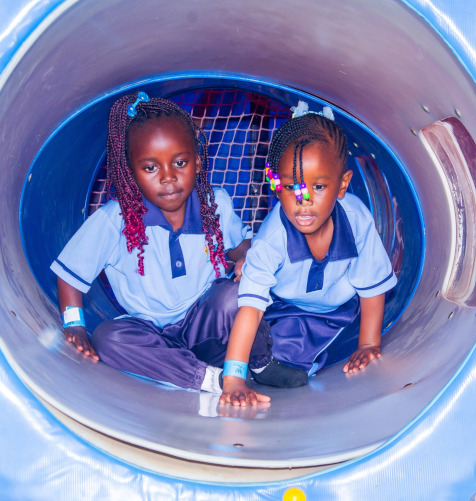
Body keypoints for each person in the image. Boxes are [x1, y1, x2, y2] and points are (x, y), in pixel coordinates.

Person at [50, 91, 273, 394]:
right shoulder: (116, 220)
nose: (168, 177)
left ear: (197, 160)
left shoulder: (214, 204)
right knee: (108, 338)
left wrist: (247, 260)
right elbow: (70, 275)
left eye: (180, 162)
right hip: (150, 333)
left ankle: (261, 363)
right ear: (130, 171)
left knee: (236, 295)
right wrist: (74, 324)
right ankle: (209, 379)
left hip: (206, 326)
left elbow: (239, 248)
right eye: (151, 168)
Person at [219, 101, 397, 406]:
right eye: (292, 187)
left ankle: (267, 360)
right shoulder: (273, 236)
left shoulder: (356, 219)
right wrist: (233, 379)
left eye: (319, 187)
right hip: (277, 304)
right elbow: (251, 307)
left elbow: (371, 285)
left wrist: (368, 343)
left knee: (288, 357)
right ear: (277, 185)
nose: (304, 201)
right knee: (231, 315)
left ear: (342, 185)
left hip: (329, 313)